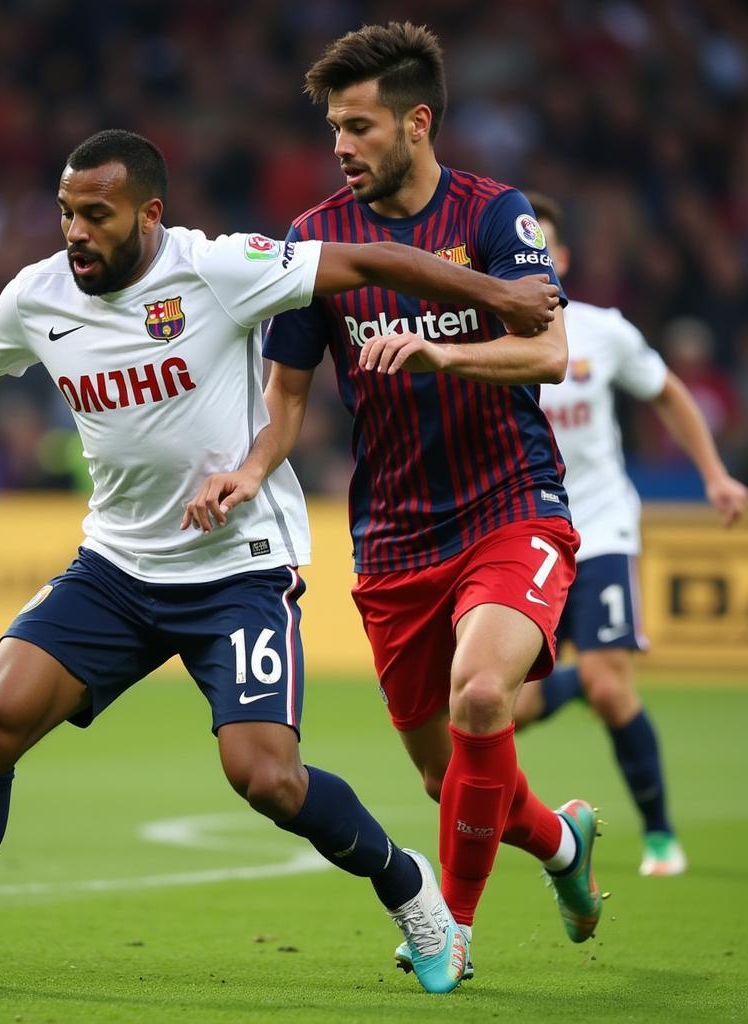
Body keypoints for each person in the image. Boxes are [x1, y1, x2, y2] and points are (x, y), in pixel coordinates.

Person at [0, 129, 559, 994]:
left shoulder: (219, 269)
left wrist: (499, 295)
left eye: (96, 215)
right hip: (116, 567)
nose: (75, 231)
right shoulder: (39, 294)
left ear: (148, 214)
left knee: (266, 779)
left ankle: (409, 889)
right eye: (67, 212)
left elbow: (370, 264)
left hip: (237, 570)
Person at [187, 23, 603, 988]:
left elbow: (547, 351)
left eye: (360, 126)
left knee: (485, 693)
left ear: (417, 124)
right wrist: (251, 473)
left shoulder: (495, 213)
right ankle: (563, 847)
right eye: (335, 127)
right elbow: (286, 399)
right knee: (444, 778)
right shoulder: (314, 241)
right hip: (394, 534)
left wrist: (442, 351)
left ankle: (448, 927)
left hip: (511, 505)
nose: (341, 145)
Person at [511, 193, 747, 876]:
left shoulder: (601, 331)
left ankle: (661, 834)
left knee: (615, 690)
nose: (538, 258)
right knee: (513, 706)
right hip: (526, 536)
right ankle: (573, 691)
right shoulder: (489, 334)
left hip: (602, 526)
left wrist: (715, 475)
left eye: (547, 247)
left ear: (562, 257)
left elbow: (667, 391)